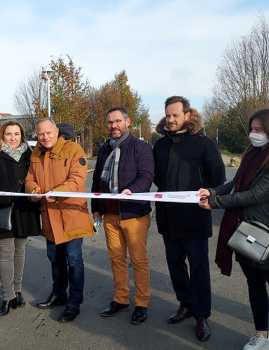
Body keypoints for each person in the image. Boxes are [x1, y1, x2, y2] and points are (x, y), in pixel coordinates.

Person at [197, 108, 269, 350]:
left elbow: (255, 194)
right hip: (244, 231)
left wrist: (215, 203)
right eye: (252, 128)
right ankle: (262, 337)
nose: (254, 133)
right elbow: (236, 183)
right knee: (255, 286)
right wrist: (214, 191)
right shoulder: (253, 154)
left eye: (259, 130)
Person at [151, 96, 225, 342]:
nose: (170, 120)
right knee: (175, 265)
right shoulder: (160, 146)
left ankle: (201, 315)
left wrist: (209, 195)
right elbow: (154, 178)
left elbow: (217, 179)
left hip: (195, 217)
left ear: (187, 115)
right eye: (167, 115)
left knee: (199, 268)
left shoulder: (204, 144)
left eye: (175, 115)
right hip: (168, 217)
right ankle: (185, 303)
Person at [90, 107, 154, 325]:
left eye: (118, 121)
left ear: (127, 121)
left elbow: (146, 177)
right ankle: (120, 299)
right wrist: (96, 206)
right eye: (110, 122)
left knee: (138, 260)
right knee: (116, 260)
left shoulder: (141, 148)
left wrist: (132, 190)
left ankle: (142, 303)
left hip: (134, 213)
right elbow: (98, 180)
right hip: (109, 214)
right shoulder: (104, 149)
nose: (113, 126)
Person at [25, 118, 93, 323]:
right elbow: (29, 179)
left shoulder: (73, 150)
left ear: (56, 131)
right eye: (40, 134)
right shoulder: (36, 153)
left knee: (74, 260)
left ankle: (74, 302)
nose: (45, 137)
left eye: (48, 133)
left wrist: (57, 192)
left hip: (70, 214)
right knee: (55, 258)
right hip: (48, 215)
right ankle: (59, 294)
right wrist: (33, 191)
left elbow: (77, 180)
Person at [0, 121, 42, 317]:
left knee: (19, 251)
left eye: (16, 134)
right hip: (2, 211)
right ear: (2, 136)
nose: (13, 138)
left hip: (24, 211)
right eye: (9, 134)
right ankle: (7, 297)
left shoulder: (30, 156)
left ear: (22, 136)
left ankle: (18, 291)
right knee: (5, 254)